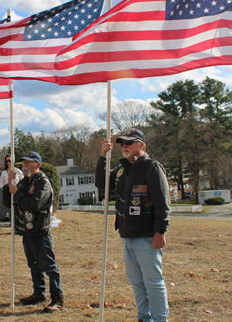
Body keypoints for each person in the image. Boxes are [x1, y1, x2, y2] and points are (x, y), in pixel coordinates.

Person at [95, 128, 171, 322]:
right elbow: (101, 183)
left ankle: (160, 319)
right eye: (122, 143)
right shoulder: (122, 169)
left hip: (147, 236)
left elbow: (162, 203)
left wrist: (160, 231)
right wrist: (103, 156)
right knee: (136, 282)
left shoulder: (151, 167)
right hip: (127, 234)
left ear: (141, 145)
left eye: (129, 143)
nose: (124, 146)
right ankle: (144, 317)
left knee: (153, 282)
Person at [3, 151, 64, 313]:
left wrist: (16, 193)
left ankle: (57, 298)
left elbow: (34, 204)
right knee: (34, 264)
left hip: (40, 231)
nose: (25, 166)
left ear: (38, 165)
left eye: (29, 163)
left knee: (49, 266)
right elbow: (8, 201)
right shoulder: (24, 182)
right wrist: (8, 184)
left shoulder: (42, 182)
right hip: (27, 231)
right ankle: (39, 292)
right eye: (24, 163)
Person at [0, 154, 23, 219]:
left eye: (10, 160)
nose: (8, 162)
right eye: (7, 161)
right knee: (10, 213)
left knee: (18, 214)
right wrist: (7, 187)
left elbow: (23, 182)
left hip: (17, 194)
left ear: (13, 161)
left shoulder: (18, 171)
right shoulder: (4, 173)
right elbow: (1, 184)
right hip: (8, 195)